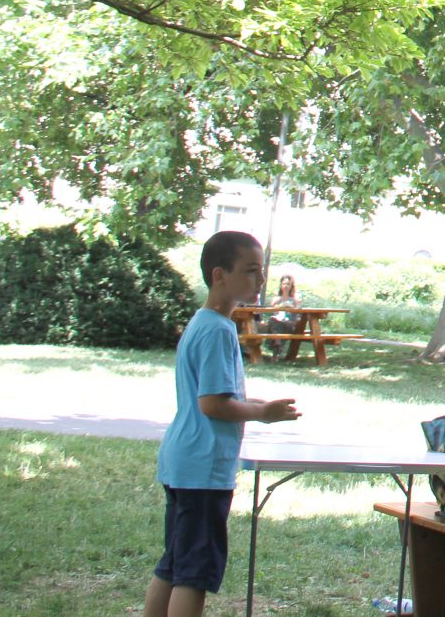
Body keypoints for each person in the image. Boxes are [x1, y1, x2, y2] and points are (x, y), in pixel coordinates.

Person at [145, 230, 300, 617]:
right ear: (219, 275)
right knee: (194, 573)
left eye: (261, 271)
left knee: (175, 562)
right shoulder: (217, 329)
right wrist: (262, 414)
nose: (260, 281)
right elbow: (213, 403)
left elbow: (220, 397)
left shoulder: (203, 323)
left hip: (185, 462)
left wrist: (257, 405)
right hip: (202, 467)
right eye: (250, 271)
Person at [260, 274, 300, 361]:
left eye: (288, 284)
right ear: (281, 285)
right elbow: (272, 309)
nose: (286, 286)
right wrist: (281, 304)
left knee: (278, 325)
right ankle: (277, 345)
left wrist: (291, 307)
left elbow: (297, 314)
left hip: (289, 323)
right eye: (284, 283)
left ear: (291, 286)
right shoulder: (276, 298)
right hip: (277, 321)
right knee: (274, 321)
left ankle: (276, 348)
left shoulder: (294, 299)